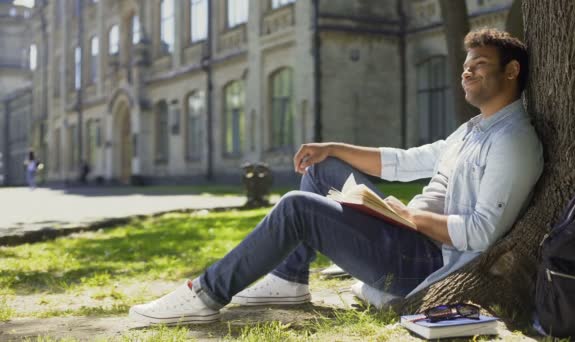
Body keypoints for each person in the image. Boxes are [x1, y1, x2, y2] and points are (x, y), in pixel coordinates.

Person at [129, 28, 544, 325]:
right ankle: (290, 280)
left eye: (480, 65)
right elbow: (405, 161)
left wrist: (409, 217)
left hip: (424, 261)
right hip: (406, 235)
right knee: (321, 168)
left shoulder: (513, 141)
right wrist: (332, 149)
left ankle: (204, 294)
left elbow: (482, 233)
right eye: (466, 66)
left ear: (511, 73)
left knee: (296, 208)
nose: (466, 73)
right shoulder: (472, 129)